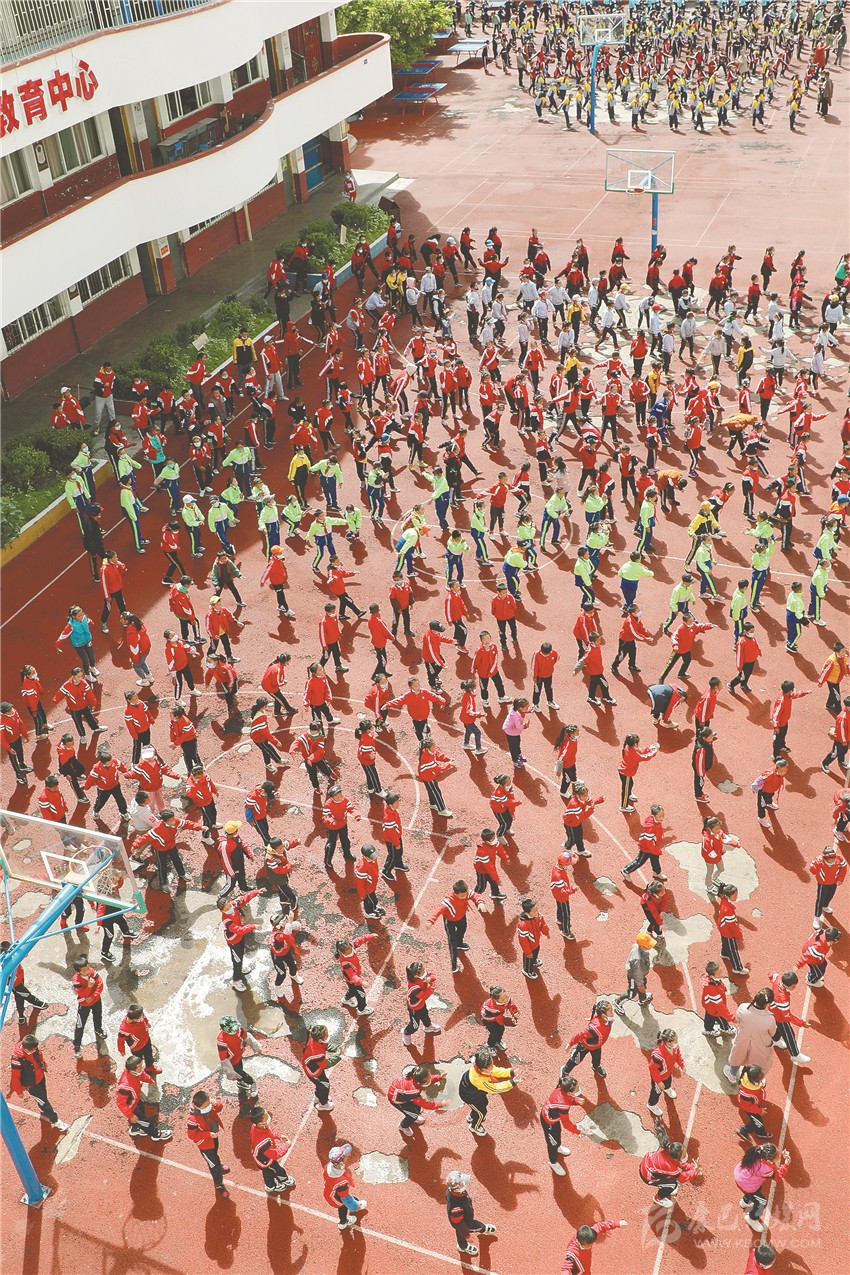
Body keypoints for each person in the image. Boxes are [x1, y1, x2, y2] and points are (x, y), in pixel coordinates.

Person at [10, 1034, 68, 1131]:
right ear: (26, 1049)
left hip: (40, 1077)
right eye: (33, 1049)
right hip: (32, 1085)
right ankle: (56, 1121)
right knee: (45, 1102)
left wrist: (44, 1064)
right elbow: (15, 1078)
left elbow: (39, 1055)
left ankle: (42, 1108)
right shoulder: (17, 1060)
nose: (35, 1050)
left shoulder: (32, 1047)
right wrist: (19, 1091)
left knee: (43, 1096)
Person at [458, 1046, 516, 1138]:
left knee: (484, 1103)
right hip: (469, 1097)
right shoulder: (479, 1080)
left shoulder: (480, 1066)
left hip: (474, 1092)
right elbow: (495, 1088)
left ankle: (473, 1115)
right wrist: (511, 1083)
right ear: (484, 1069)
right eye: (490, 1066)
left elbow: (495, 1070)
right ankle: (474, 1127)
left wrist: (510, 1072)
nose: (492, 1067)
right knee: (482, 1112)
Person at [733, 1143, 790, 1234]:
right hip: (747, 1185)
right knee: (762, 1202)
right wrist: (786, 1165)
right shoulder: (766, 1169)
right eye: (777, 1157)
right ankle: (752, 1218)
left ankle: (744, 1202)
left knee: (757, 1189)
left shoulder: (760, 1150)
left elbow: (771, 1152)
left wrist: (781, 1153)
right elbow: (778, 1177)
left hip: (741, 1175)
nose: (778, 1158)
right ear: (769, 1160)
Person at [445, 1171, 497, 1257]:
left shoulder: (452, 1191)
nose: (464, 1182)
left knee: (460, 1233)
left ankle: (462, 1246)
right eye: (462, 1183)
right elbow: (460, 1225)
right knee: (466, 1230)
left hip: (462, 1218)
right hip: (465, 1223)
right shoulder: (456, 1209)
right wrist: (468, 1236)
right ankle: (482, 1229)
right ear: (457, 1188)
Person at [187, 1091, 230, 1196]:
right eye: (206, 1106)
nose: (209, 1106)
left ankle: (218, 1165)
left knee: (215, 1154)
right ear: (198, 1106)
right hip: (205, 1145)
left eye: (209, 1103)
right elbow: (192, 1135)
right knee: (213, 1165)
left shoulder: (208, 1106)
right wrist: (208, 1135)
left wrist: (216, 1103)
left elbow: (219, 1108)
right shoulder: (192, 1119)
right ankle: (219, 1184)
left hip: (213, 1138)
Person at [250, 1107, 295, 1199]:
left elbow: (269, 1131)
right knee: (277, 1170)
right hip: (266, 1161)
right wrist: (287, 1145)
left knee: (267, 1173)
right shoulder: (263, 1142)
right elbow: (275, 1154)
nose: (268, 1116)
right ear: (260, 1122)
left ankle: (270, 1186)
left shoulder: (258, 1126)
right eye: (266, 1116)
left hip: (262, 1157)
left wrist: (279, 1136)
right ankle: (284, 1179)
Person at [323, 1142, 366, 1230]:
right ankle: (343, 1222)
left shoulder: (329, 1166)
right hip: (335, 1198)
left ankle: (354, 1205)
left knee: (350, 1201)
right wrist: (355, 1207)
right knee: (343, 1207)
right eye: (346, 1156)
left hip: (330, 1192)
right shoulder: (341, 1182)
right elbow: (345, 1198)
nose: (348, 1155)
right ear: (340, 1163)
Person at [560, 1220, 628, 1273]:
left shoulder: (590, 1234)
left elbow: (601, 1226)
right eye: (588, 1245)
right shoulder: (572, 1253)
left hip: (586, 1268)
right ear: (580, 1243)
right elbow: (565, 1269)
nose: (590, 1247)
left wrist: (617, 1224)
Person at [613, 932, 656, 1013]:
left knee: (643, 984)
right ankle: (618, 1002)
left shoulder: (638, 947)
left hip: (640, 974)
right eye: (648, 945)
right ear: (642, 946)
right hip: (634, 977)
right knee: (631, 993)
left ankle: (642, 999)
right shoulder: (637, 959)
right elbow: (637, 974)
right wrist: (640, 985)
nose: (651, 946)